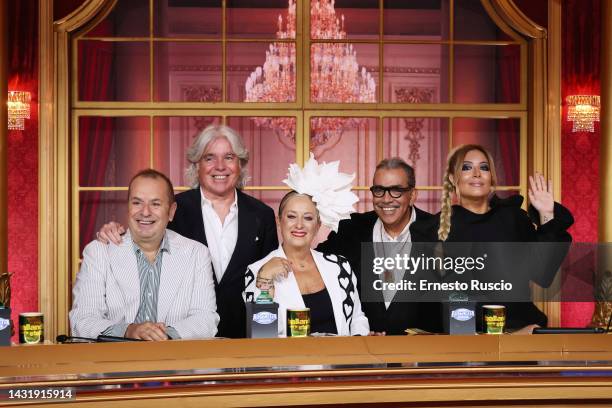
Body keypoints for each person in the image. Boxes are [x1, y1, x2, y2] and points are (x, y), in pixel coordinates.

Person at [96, 125, 278, 338]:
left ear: (240, 164)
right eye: (209, 158)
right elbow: (142, 235)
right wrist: (115, 231)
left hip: (245, 338)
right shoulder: (173, 209)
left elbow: (268, 285)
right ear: (197, 164)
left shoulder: (262, 215)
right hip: (181, 339)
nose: (220, 166)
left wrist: (264, 338)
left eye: (229, 157)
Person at [410, 144, 574, 333]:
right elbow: (427, 300)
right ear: (453, 179)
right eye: (467, 167)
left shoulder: (513, 219)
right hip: (460, 341)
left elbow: (543, 274)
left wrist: (546, 213)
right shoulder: (432, 230)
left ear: (492, 179)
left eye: (484, 167)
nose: (477, 173)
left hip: (520, 335)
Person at [70, 169, 219, 340]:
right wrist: (129, 331)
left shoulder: (196, 253)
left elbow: (206, 319)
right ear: (127, 207)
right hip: (112, 362)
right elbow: (82, 320)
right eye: (137, 203)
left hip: (177, 361)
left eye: (155, 204)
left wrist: (161, 335)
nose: (145, 212)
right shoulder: (98, 252)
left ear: (171, 211)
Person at [245, 155, 370, 336]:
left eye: (308, 218)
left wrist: (359, 343)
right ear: (279, 221)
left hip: (341, 362)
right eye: (291, 216)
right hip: (289, 363)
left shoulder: (339, 266)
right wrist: (264, 280)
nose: (299, 225)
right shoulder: (258, 271)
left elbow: (357, 318)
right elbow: (261, 336)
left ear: (318, 225)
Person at [316, 158, 432, 335]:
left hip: (425, 356)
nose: (386, 199)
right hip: (363, 354)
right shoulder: (350, 230)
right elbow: (312, 263)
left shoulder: (437, 231)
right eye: (379, 190)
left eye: (396, 191)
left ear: (413, 195)